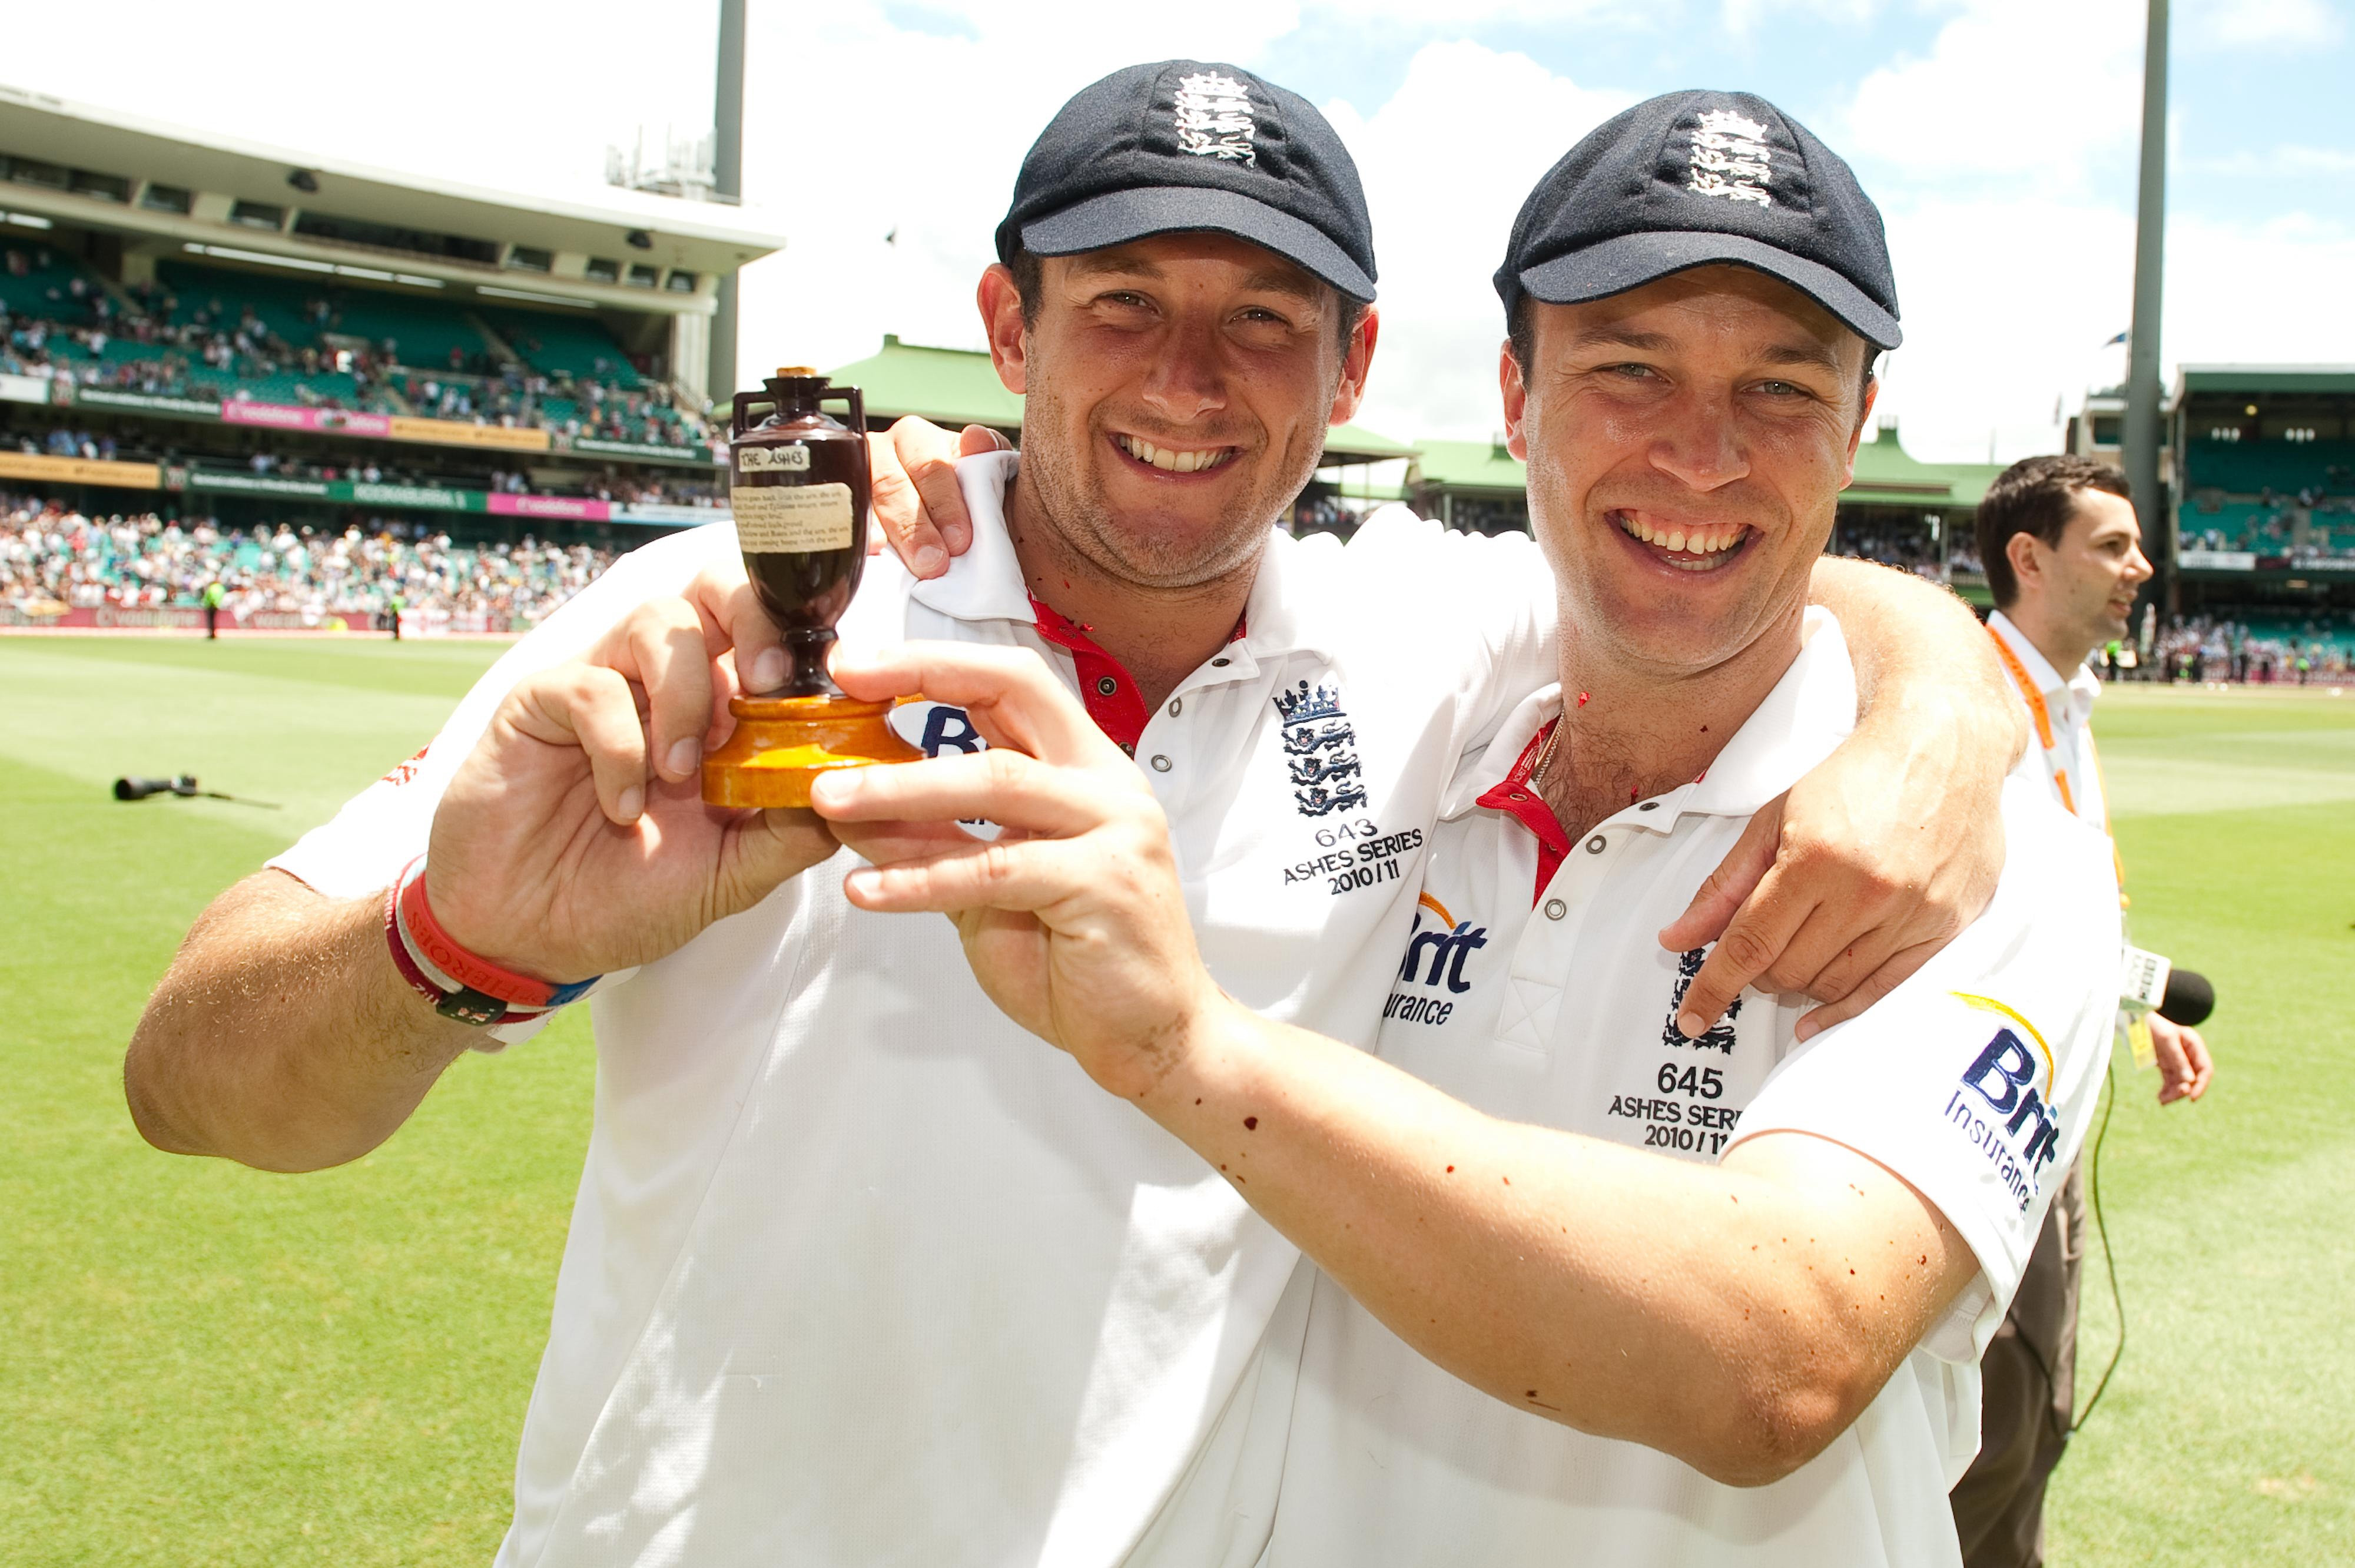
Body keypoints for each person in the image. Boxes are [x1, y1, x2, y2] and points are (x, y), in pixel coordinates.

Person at [125, 66, 2019, 1563]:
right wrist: (455, 945)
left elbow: (1713, 542)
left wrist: (1934, 713)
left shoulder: (1417, 630)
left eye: (1263, 322)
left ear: (1353, 364)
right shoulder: (743, 609)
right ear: (1003, 326)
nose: (1190, 382)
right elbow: (189, 1083)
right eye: (1122, 303)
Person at [812, 92, 2118, 1564]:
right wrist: (940, 513)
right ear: (1514, 399)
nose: (1700, 456)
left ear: (1856, 425)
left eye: (1778, 390)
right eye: (1628, 369)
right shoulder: (1414, 698)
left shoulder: (1981, 852)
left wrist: (1195, 1052)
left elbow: (1783, 1352)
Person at [1962, 454, 2215, 1568]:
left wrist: (2135, 1002)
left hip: (2056, 1104)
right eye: (2112, 545)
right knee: (1994, 1425)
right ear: (2030, 558)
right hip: (1980, 1114)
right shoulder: (1963, 700)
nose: (2141, 569)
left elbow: (2063, 901)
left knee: (2037, 1414)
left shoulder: (2069, 694)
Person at [201, 575, 224, 639]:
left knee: (210, 620)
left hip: (210, 605)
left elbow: (209, 596)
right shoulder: (221, 588)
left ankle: (211, 634)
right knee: (214, 620)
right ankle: (213, 633)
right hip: (217, 605)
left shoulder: (212, 587)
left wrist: (208, 603)